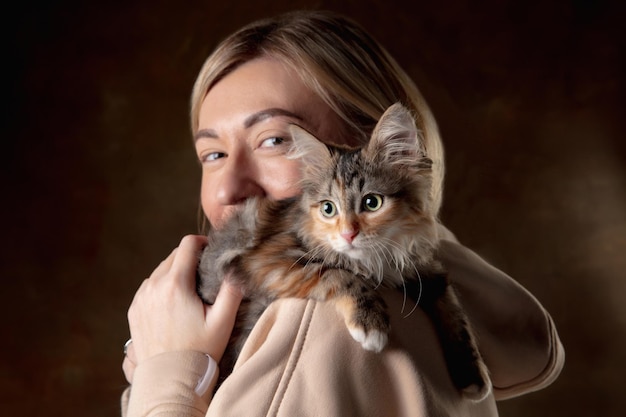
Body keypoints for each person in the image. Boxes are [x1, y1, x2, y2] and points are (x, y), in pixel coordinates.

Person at [121, 10, 564, 416]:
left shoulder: (316, 320)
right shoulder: (426, 294)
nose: (229, 190)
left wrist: (170, 381)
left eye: (275, 140)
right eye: (212, 154)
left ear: (388, 149)